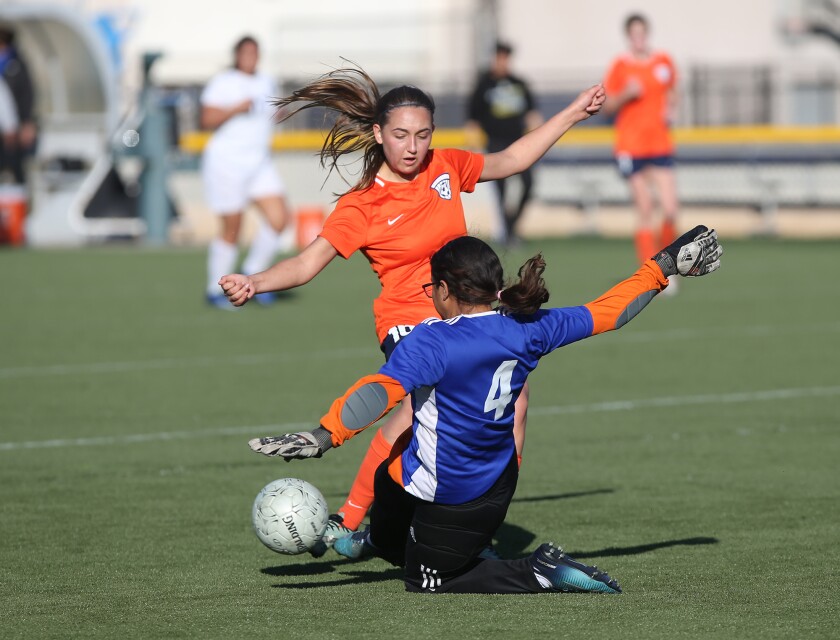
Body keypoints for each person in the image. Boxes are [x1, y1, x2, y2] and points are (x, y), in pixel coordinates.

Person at [220, 65, 606, 553]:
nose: (412, 146)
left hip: (462, 314)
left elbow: (510, 159)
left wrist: (572, 112)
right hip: (407, 319)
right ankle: (349, 520)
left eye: (422, 135)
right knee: (413, 406)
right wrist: (254, 281)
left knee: (518, 398)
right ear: (379, 134)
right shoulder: (361, 206)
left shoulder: (443, 167)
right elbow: (306, 262)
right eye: (400, 134)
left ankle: (480, 513)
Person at [248, 227, 723, 594]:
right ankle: (373, 540)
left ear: (445, 291)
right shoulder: (528, 327)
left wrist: (324, 435)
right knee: (391, 469)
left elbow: (379, 391)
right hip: (493, 481)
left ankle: (537, 571)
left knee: (426, 580)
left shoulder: (433, 340)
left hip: (458, 498)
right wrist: (662, 267)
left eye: (432, 285)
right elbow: (608, 312)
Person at [201, 35, 290, 309]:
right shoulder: (224, 82)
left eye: (255, 52)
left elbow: (273, 114)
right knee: (232, 227)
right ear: (237, 55)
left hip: (259, 163)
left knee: (279, 218)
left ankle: (254, 275)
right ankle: (216, 288)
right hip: (227, 164)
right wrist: (235, 109)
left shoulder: (266, 82)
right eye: (246, 52)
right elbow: (206, 119)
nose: (251, 56)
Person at [603, 14, 680, 291]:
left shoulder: (663, 62)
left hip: (659, 143)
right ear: (628, 36)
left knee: (670, 209)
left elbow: (672, 91)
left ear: (647, 34)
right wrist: (626, 94)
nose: (638, 38)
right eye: (633, 33)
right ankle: (653, 275)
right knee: (645, 208)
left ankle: (669, 264)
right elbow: (607, 106)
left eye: (642, 33)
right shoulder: (620, 66)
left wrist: (671, 108)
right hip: (631, 146)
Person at [466, 41, 543, 246]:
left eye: (506, 57)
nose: (503, 62)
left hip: (519, 143)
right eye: (500, 57)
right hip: (495, 143)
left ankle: (511, 226)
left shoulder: (519, 83)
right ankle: (507, 233)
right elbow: (472, 119)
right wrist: (473, 145)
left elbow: (533, 115)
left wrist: (540, 139)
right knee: (500, 190)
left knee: (528, 184)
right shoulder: (484, 85)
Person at [0, 25, 36, 186]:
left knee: (15, 167)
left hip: (12, 128)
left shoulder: (17, 65)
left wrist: (26, 121)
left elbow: (26, 94)